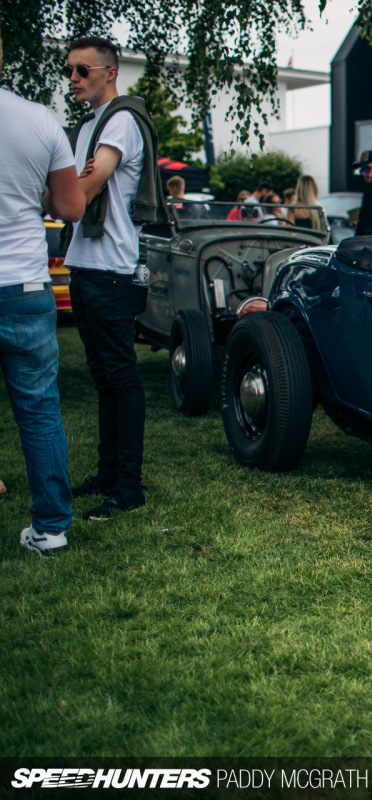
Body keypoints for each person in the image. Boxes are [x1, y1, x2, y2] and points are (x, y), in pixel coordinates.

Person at [63, 35, 166, 520]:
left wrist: (70, 187)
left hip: (112, 270)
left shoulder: (121, 120)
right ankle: (108, 475)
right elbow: (72, 186)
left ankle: (128, 487)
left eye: (82, 70)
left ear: (110, 72)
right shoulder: (89, 126)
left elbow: (79, 193)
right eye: (68, 70)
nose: (73, 78)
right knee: (104, 378)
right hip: (85, 264)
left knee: (122, 378)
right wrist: (72, 185)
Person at [0, 30, 86, 556]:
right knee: (38, 409)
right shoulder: (39, 120)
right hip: (26, 284)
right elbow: (71, 207)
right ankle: (51, 529)